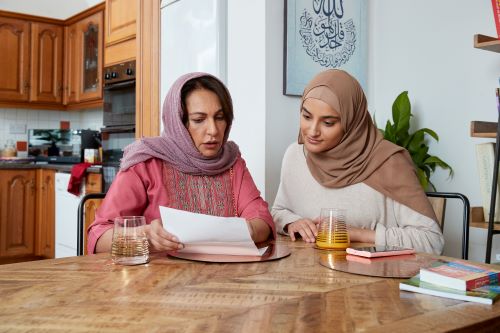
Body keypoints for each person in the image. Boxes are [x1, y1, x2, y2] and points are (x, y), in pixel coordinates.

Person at [88, 72, 275, 254]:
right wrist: (143, 235)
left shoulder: (232, 162)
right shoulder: (146, 163)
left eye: (219, 117)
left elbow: (263, 221)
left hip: (221, 279)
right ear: (178, 121)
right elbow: (98, 236)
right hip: (155, 281)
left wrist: (247, 231)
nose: (213, 130)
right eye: (199, 120)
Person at [272, 69, 444, 254]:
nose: (312, 131)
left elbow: (431, 241)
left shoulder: (389, 162)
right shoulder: (294, 155)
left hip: (373, 278)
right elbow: (278, 211)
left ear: (351, 122)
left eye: (328, 123)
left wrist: (358, 234)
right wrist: (291, 223)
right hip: (307, 277)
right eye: (306, 117)